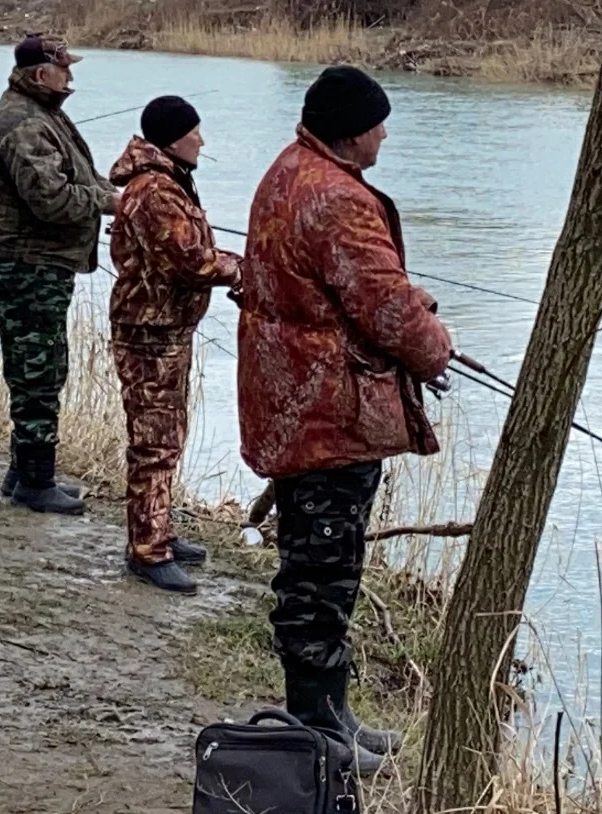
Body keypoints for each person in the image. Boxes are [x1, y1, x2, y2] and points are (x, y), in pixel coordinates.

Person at [236, 65, 452, 775]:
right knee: (322, 574)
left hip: (294, 397)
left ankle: (332, 718)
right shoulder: (338, 198)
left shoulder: (288, 170)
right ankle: (316, 730)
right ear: (355, 131)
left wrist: (405, 306)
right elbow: (384, 304)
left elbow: (335, 286)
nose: (387, 134)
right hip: (328, 411)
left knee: (319, 567)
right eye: (381, 123)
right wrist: (433, 345)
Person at [109, 97, 242, 594]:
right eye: (195, 132)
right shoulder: (156, 191)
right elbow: (189, 262)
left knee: (167, 436)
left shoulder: (167, 183)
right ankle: (147, 550)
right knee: (154, 441)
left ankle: (157, 528)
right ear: (172, 138)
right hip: (149, 333)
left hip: (165, 330)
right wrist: (241, 269)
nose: (202, 141)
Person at [0, 33, 119, 515]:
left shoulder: (43, 112)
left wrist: (115, 192)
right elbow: (52, 200)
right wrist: (112, 203)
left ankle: (23, 472)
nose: (71, 76)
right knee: (36, 371)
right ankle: (36, 481)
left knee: (42, 364)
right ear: (42, 73)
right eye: (64, 68)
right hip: (28, 263)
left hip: (42, 263)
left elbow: (78, 178)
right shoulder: (22, 120)